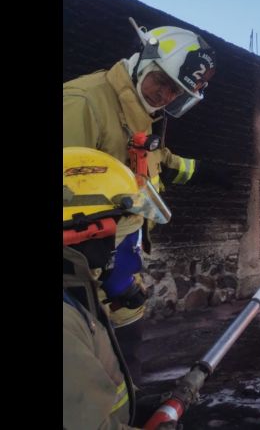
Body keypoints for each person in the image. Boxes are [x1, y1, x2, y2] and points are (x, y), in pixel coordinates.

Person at [63, 17, 231, 379]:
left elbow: (154, 163)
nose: (164, 95)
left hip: (118, 272)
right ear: (142, 60)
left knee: (124, 370)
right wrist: (101, 268)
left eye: (175, 92)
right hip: (82, 281)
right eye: (161, 81)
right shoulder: (83, 103)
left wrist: (202, 171)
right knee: (87, 381)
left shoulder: (140, 111)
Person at [63, 146, 177, 429]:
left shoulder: (78, 293)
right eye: (132, 235)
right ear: (88, 232)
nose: (137, 253)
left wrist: (134, 409)